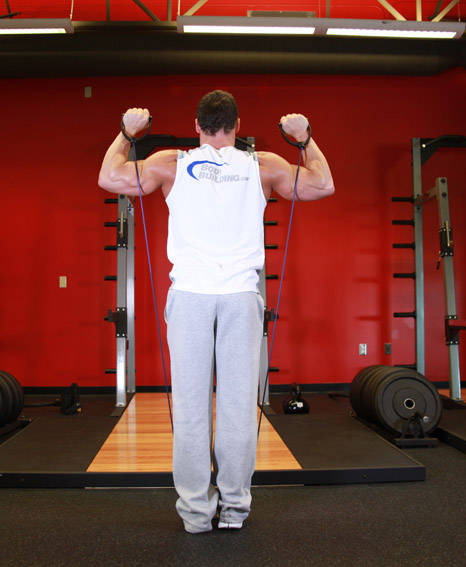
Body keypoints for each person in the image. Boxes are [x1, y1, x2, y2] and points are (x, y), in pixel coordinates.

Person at [98, 90, 334, 533]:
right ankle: (234, 511)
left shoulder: (171, 161)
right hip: (241, 298)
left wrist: (127, 133)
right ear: (237, 125)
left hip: (190, 296)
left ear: (197, 124)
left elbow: (110, 178)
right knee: (237, 408)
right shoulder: (262, 164)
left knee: (190, 410)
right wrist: (305, 140)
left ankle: (195, 515)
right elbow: (323, 183)